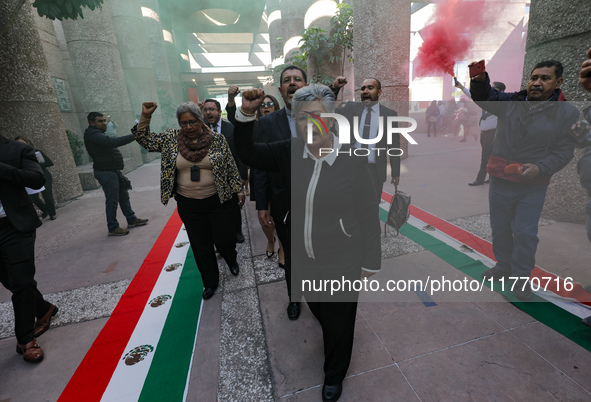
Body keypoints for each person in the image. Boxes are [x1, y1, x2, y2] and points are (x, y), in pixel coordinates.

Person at [234, 85, 380, 402]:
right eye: (302, 118)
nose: (310, 124)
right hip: (303, 255)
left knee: (339, 321)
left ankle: (334, 374)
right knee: (319, 308)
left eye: (318, 116)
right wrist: (246, 114)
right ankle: (332, 330)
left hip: (343, 256)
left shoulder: (352, 161)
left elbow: (369, 212)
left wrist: (371, 260)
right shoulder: (289, 151)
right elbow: (247, 153)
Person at [471, 60, 578, 300]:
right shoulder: (511, 102)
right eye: (534, 78)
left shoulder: (567, 112)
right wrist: (479, 81)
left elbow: (564, 152)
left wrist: (540, 168)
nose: (537, 83)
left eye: (545, 78)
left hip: (532, 186)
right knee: (500, 228)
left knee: (525, 232)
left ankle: (521, 277)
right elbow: (485, 96)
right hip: (500, 179)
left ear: (558, 82)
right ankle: (504, 265)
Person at [132, 101, 245, 300]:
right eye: (184, 123)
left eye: (192, 122)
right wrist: (145, 117)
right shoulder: (170, 139)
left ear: (201, 120)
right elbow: (145, 140)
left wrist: (239, 189)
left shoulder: (217, 139)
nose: (189, 127)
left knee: (224, 239)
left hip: (219, 200)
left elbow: (229, 165)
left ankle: (231, 258)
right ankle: (210, 282)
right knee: (200, 245)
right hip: (189, 204)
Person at [0, 134, 59, 363]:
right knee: (11, 281)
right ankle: (44, 308)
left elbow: (36, 179)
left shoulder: (16, 150)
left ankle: (25, 340)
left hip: (14, 226)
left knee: (22, 284)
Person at [336, 77, 401, 202]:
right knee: (351, 205)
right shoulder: (351, 108)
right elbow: (329, 109)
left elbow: (394, 146)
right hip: (352, 167)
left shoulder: (389, 115)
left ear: (379, 92)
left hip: (374, 171)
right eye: (363, 88)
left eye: (370, 88)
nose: (365, 91)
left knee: (372, 206)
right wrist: (336, 88)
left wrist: (395, 172)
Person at [84, 112, 148, 236]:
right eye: (100, 121)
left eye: (104, 120)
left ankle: (131, 219)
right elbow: (114, 142)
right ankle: (113, 227)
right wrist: (135, 136)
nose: (104, 123)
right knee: (112, 200)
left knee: (123, 196)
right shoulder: (93, 135)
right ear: (91, 123)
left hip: (111, 170)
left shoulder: (97, 133)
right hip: (105, 172)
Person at [203, 98, 247, 244]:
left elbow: (240, 153)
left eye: (212, 109)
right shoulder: (201, 130)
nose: (208, 112)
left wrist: (242, 175)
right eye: (206, 109)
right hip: (210, 177)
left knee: (234, 204)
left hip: (231, 175)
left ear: (219, 112)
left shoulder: (230, 128)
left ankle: (237, 231)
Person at [468, 81, 506, 186]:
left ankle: (480, 179)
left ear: (501, 91)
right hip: (484, 134)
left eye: (495, 88)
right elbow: (473, 95)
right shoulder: (488, 101)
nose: (492, 89)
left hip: (492, 133)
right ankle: (491, 177)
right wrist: (462, 87)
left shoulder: (501, 103)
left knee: (485, 157)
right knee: (490, 156)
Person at [14, 136, 57, 220]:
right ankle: (45, 210)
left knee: (47, 196)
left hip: (44, 176)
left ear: (28, 143)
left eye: (22, 143)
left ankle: (52, 213)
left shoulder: (36, 152)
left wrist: (35, 164)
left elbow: (50, 163)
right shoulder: (18, 156)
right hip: (30, 178)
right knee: (33, 197)